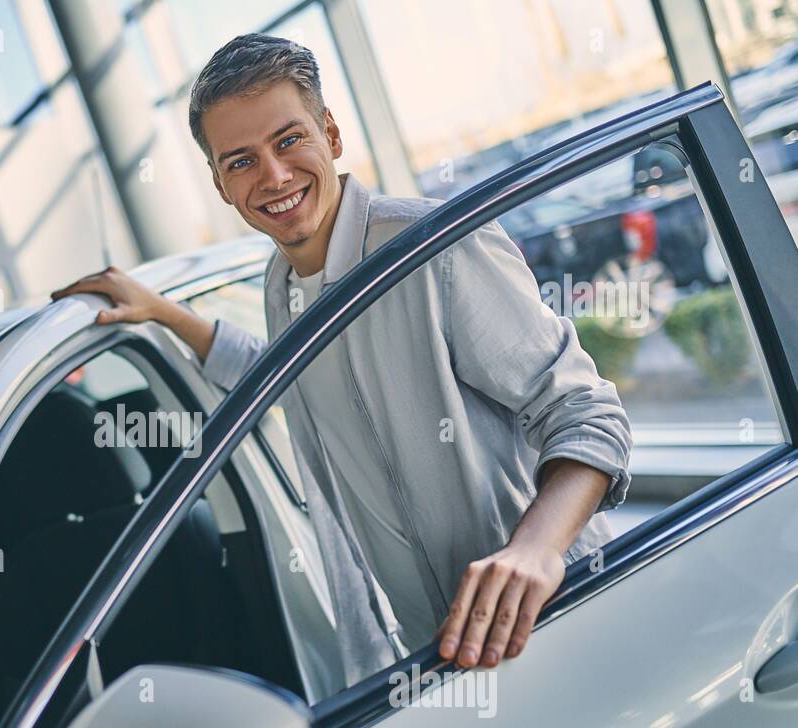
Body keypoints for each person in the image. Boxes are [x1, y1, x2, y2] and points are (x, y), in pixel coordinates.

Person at [52, 33, 631, 682]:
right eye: (240, 161)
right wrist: (165, 312)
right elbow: (281, 376)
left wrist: (532, 554)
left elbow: (586, 411)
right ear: (219, 183)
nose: (273, 176)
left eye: (289, 140)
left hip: (561, 611)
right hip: (442, 653)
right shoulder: (282, 286)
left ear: (331, 133)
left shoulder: (430, 246)